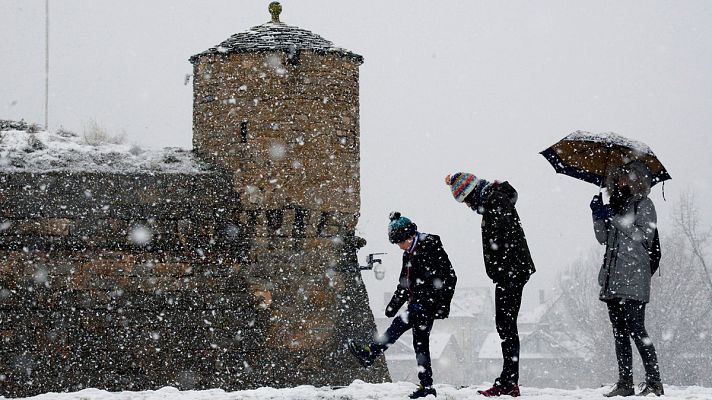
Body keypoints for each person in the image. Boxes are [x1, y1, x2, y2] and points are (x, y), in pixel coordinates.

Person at [444, 172, 535, 398]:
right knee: (505, 325)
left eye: (465, 200)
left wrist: (500, 269)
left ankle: (508, 382)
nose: (466, 206)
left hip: (511, 271)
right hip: (511, 271)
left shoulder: (494, 201)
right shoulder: (493, 200)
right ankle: (508, 380)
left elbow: (504, 238)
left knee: (506, 326)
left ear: (471, 193)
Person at [348, 212, 457, 399]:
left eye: (400, 242)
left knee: (398, 325)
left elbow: (450, 277)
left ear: (410, 236)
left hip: (428, 303)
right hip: (417, 303)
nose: (400, 247)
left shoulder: (430, 247)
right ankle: (427, 385)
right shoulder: (408, 254)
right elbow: (404, 285)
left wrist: (442, 305)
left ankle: (371, 352)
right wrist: (393, 305)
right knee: (420, 344)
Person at [589, 161, 664, 397]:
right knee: (619, 333)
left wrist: (614, 218)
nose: (620, 184)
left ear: (637, 182)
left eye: (625, 179)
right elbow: (603, 239)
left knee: (636, 329)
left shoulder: (644, 204)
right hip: (613, 279)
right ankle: (625, 383)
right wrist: (597, 215)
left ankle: (654, 382)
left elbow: (643, 236)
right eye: (617, 180)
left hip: (634, 277)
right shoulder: (617, 205)